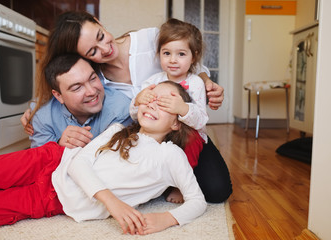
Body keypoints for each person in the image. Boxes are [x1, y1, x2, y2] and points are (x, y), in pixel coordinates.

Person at [22, 12, 232, 203]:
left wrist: (206, 81)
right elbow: (65, 82)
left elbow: (189, 61)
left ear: (98, 22)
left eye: (100, 36)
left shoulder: (150, 40)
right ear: (82, 58)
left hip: (182, 129)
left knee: (216, 190)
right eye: (93, 51)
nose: (105, 48)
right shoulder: (95, 79)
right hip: (144, 139)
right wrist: (36, 108)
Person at [0, 82, 207, 235]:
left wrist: (166, 219)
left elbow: (197, 201)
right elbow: (77, 164)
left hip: (51, 200)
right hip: (51, 160)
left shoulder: (170, 156)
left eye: (166, 102)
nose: (154, 103)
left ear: (177, 122)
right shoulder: (117, 130)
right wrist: (113, 203)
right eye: (151, 97)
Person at [129, 18, 209, 203]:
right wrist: (138, 101)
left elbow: (201, 121)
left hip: (186, 133)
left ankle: (180, 185)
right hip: (160, 131)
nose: (173, 60)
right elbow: (134, 114)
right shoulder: (153, 81)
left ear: (193, 57)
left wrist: (182, 108)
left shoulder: (196, 83)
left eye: (181, 54)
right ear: (159, 54)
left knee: (191, 141)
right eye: (166, 53)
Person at [29, 53, 132, 148]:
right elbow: (40, 162)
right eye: (77, 88)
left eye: (93, 79)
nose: (91, 92)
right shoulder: (42, 116)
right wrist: (58, 146)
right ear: (59, 96)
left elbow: (112, 161)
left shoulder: (121, 109)